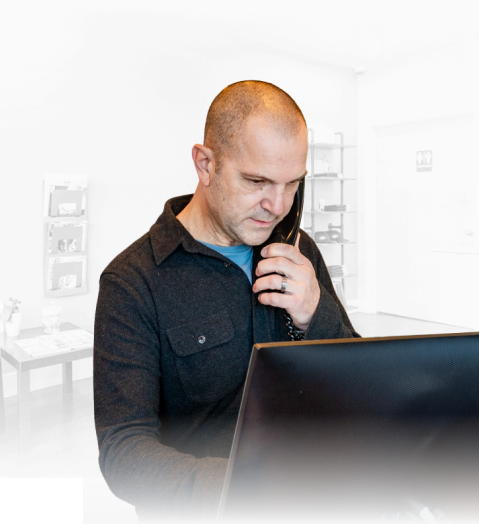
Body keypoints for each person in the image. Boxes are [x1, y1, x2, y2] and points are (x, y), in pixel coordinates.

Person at [93, 80, 360, 520]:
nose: (277, 205)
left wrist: (317, 312)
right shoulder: (132, 283)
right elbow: (124, 452)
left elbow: (354, 377)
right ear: (205, 164)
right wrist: (245, 487)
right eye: (257, 181)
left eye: (293, 184)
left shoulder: (299, 250)